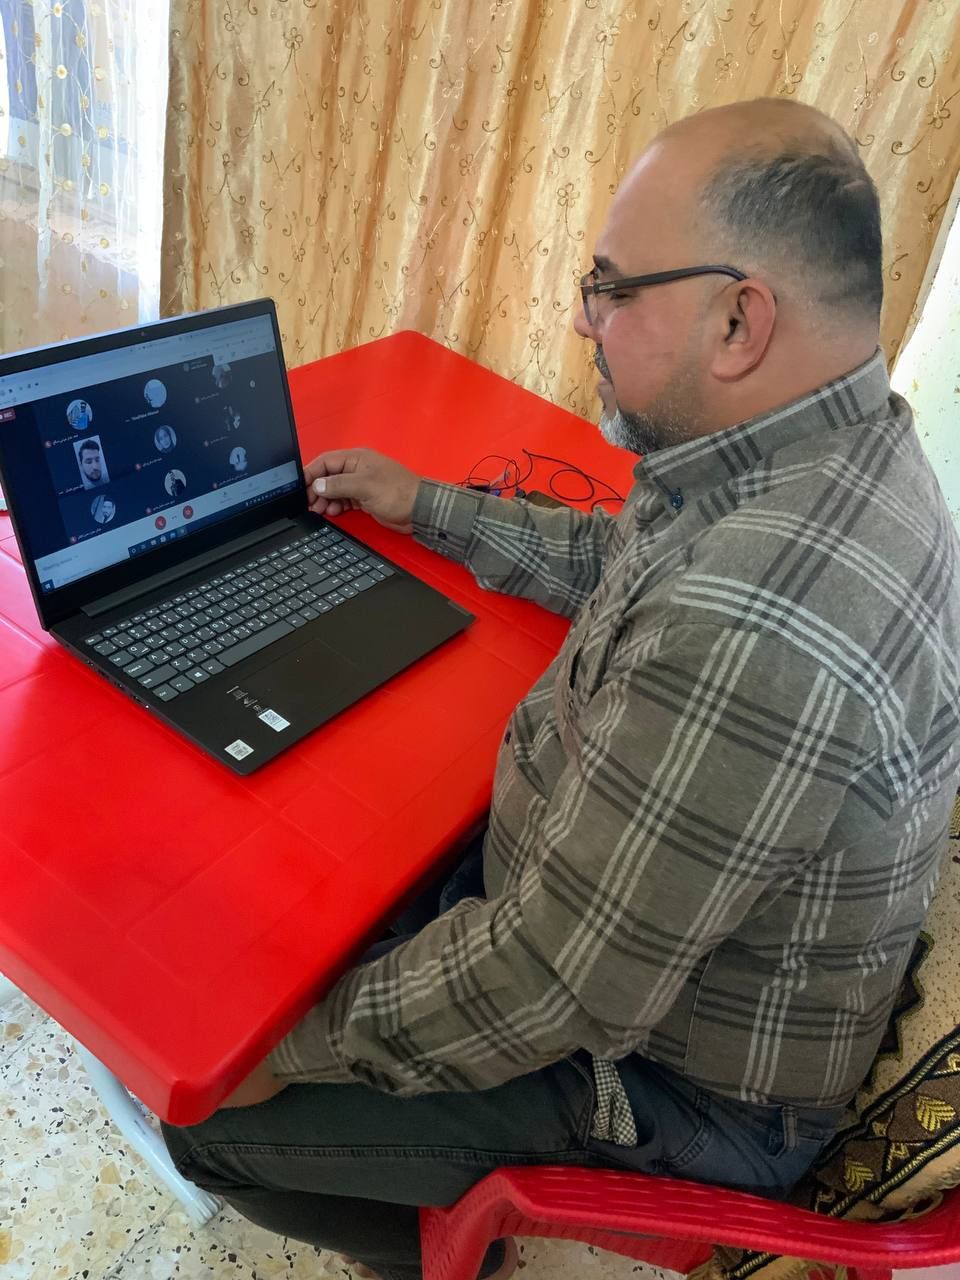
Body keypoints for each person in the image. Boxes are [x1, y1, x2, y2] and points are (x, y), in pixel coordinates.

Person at [161, 98, 960, 1280]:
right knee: (316, 896)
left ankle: (447, 1258)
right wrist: (427, 504)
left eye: (610, 287)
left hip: (675, 1084)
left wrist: (281, 1055)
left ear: (738, 319)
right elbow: (621, 557)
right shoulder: (819, 453)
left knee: (207, 1123)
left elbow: (550, 983)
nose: (582, 317)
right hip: (634, 948)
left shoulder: (754, 625)